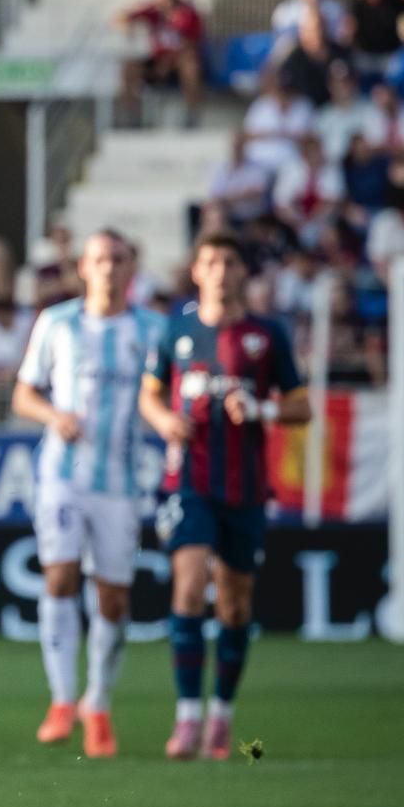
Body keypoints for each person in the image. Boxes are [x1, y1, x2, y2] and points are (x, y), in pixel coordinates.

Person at [139, 233, 311, 761]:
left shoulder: (267, 335)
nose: (218, 270)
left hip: (246, 485)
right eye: (209, 261)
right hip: (188, 480)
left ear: (242, 272)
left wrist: (259, 411)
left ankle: (223, 713)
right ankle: (187, 716)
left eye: (229, 261)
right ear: (196, 271)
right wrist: (166, 418)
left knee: (235, 600)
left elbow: (302, 406)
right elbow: (150, 394)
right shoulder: (176, 329)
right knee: (189, 583)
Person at [12, 231, 163, 758]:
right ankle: (61, 699)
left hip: (122, 481)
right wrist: (55, 415)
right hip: (61, 474)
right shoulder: (57, 323)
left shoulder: (152, 329)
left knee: (113, 597)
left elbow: (159, 398)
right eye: (99, 259)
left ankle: (97, 703)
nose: (108, 268)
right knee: (60, 574)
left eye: (118, 259)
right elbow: (24, 393)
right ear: (83, 266)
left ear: (131, 266)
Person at [117, 0, 205, 126]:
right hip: (156, 61)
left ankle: (191, 113)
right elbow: (122, 17)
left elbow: (191, 43)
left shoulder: (187, 12)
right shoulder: (152, 10)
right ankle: (133, 116)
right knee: (128, 68)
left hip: (177, 62)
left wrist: (168, 62)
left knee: (190, 64)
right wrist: (127, 26)